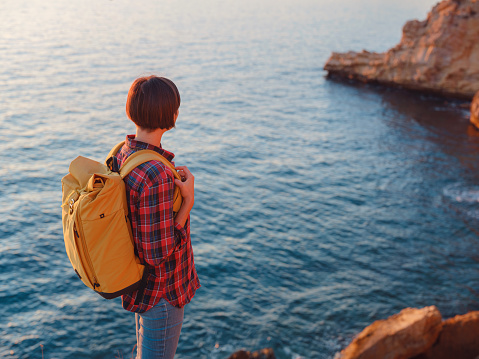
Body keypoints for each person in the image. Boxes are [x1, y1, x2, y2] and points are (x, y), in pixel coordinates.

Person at [113, 75, 200, 359]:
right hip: (162, 292)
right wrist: (187, 201)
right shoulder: (156, 174)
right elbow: (157, 254)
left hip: (141, 287)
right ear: (171, 115)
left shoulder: (124, 153)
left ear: (132, 111)